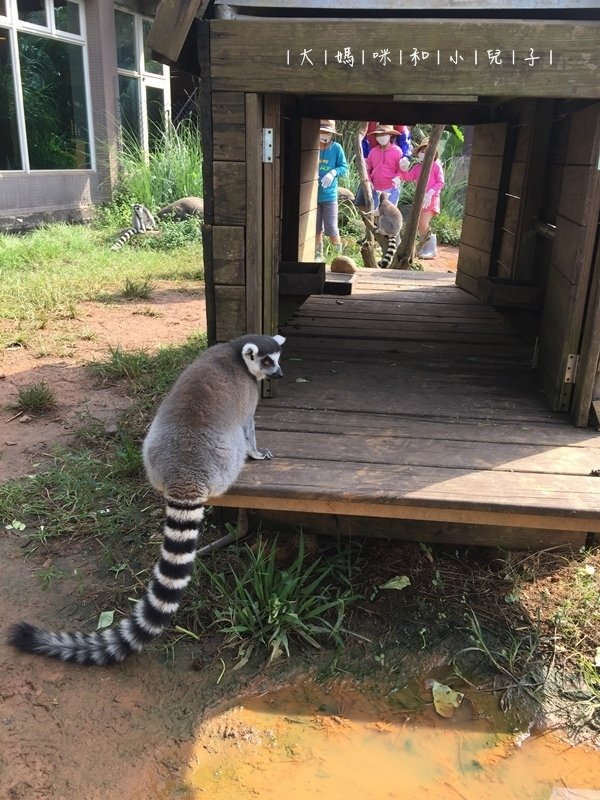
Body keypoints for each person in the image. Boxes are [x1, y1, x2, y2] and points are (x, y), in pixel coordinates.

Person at [394, 136, 445, 258]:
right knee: (418, 224)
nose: (424, 153)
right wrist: (403, 169)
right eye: (422, 151)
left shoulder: (436, 166)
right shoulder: (417, 167)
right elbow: (407, 177)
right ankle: (424, 247)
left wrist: (430, 192)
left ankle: (431, 249)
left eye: (427, 151)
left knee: (423, 223)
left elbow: (441, 182)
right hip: (419, 200)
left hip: (431, 199)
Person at [316, 119, 348, 261]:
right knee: (316, 229)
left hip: (329, 196)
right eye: (322, 131)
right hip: (313, 196)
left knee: (332, 228)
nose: (324, 135)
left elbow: (344, 168)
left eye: (327, 132)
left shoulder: (336, 148)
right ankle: (318, 257)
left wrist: (333, 172)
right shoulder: (312, 147)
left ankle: (338, 258)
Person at [363, 124, 405, 210]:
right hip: (375, 189)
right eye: (379, 134)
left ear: (390, 135)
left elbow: (401, 170)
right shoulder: (373, 152)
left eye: (383, 134)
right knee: (375, 215)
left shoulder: (397, 151)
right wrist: (369, 181)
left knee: (388, 214)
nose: (381, 137)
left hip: (392, 189)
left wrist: (398, 177)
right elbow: (367, 169)